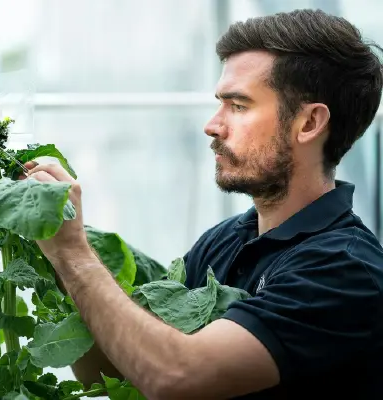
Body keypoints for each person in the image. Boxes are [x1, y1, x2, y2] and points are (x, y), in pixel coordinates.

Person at [24, 8, 383, 400]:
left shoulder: (345, 269)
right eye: (220, 103)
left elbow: (179, 378)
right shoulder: (225, 240)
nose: (212, 125)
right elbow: (110, 371)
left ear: (309, 123)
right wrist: (59, 259)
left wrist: (74, 255)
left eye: (239, 105)